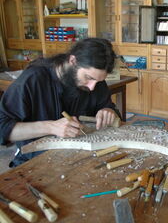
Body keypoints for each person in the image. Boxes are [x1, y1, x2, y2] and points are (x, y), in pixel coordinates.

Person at [0, 38, 120, 167]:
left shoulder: (96, 83)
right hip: (37, 161)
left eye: (98, 81)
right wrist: (50, 127)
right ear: (73, 61)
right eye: (88, 78)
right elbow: (2, 128)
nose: (92, 87)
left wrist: (109, 111)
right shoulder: (34, 79)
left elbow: (108, 107)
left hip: (80, 158)